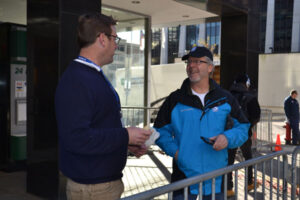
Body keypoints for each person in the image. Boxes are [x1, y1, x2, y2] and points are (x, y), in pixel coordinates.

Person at [55, 13, 151, 200]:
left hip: (98, 186)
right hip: (93, 190)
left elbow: (98, 127)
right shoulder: (78, 80)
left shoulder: (90, 75)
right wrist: (125, 135)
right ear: (102, 39)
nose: (117, 45)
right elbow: (77, 138)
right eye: (115, 38)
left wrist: (126, 143)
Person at [154, 46, 250, 200]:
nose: (192, 66)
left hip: (216, 179)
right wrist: (178, 153)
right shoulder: (175, 99)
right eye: (189, 62)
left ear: (210, 67)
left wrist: (227, 138)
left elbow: (244, 127)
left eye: (198, 62)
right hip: (183, 178)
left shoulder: (225, 98)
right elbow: (159, 131)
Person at [227, 73, 261, 197]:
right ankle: (249, 183)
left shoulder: (227, 96)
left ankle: (228, 188)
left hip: (229, 134)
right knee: (248, 158)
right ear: (246, 83)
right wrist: (248, 126)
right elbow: (256, 115)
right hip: (244, 134)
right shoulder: (250, 96)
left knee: (229, 161)